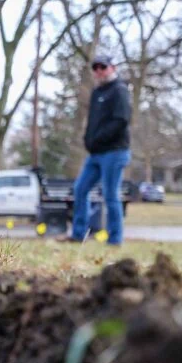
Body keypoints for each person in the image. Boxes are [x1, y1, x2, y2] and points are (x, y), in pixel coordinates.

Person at [64, 54, 132, 245]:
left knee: (110, 194)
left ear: (112, 68)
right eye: (95, 68)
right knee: (80, 189)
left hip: (114, 151)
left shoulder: (119, 91)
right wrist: (88, 139)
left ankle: (115, 239)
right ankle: (78, 235)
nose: (99, 71)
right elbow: (92, 123)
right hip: (95, 153)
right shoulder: (97, 93)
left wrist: (100, 139)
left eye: (103, 67)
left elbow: (121, 120)